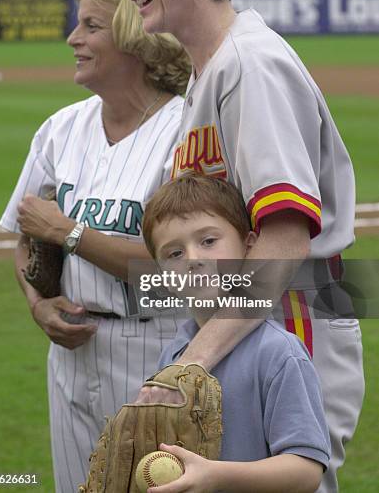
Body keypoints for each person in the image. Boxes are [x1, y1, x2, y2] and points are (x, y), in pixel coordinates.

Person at [100, 0, 364, 491]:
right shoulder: (214, 69)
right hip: (245, 327)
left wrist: (190, 364)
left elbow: (285, 233)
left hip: (288, 325)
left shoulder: (251, 66)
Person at [0, 0, 190, 493]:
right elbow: (27, 238)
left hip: (158, 349)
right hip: (70, 353)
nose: (73, 39)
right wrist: (38, 304)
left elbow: (184, 275)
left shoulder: (186, 130)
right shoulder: (61, 129)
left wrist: (71, 233)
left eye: (91, 26)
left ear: (135, 37)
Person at [141, 173, 330, 493]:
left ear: (249, 245)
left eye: (208, 241)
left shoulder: (278, 351)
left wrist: (215, 476)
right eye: (174, 254)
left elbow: (306, 470)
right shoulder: (175, 354)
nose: (194, 260)